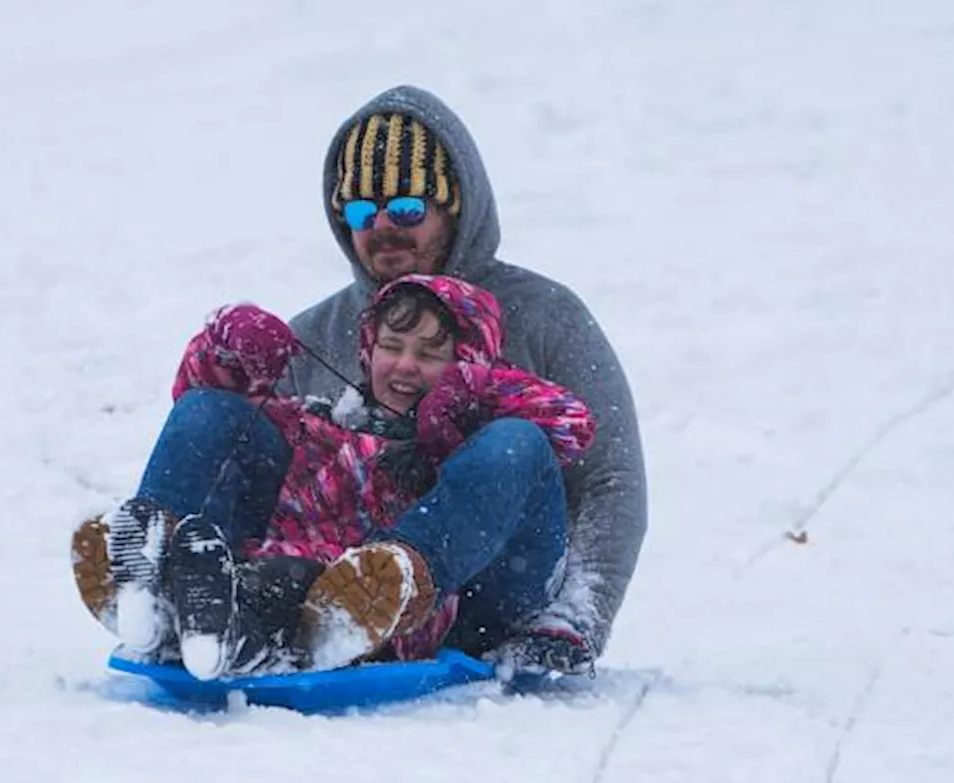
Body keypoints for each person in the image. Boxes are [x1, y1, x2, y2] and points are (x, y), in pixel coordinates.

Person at [282, 85, 648, 677]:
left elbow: (612, 478)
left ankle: (403, 574)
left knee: (513, 443)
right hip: (339, 603)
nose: (382, 228)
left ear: (456, 208)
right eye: (360, 212)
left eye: (406, 210)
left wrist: (579, 615)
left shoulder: (545, 316)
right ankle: (188, 593)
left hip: (495, 598)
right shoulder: (313, 337)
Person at [71, 274, 596, 680]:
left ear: (466, 362)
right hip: (301, 591)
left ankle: (397, 578)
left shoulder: (476, 435)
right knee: (212, 409)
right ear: (368, 351)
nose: (406, 366)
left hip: (454, 600)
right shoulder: (319, 421)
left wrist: (476, 395)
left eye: (432, 355)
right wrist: (225, 343)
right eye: (393, 347)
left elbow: (572, 425)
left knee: (518, 444)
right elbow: (202, 405)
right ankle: (149, 575)